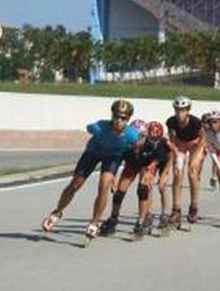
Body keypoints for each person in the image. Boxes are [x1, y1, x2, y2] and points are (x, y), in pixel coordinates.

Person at [41, 99, 139, 239]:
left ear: (128, 119)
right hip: (93, 152)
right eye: (115, 116)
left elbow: (133, 155)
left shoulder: (132, 135)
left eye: (122, 118)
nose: (118, 120)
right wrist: (93, 129)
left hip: (113, 158)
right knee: (75, 184)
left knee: (104, 184)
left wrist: (115, 177)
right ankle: (57, 211)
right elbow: (89, 127)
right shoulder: (101, 126)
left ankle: (95, 222)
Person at [99, 120, 174, 239]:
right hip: (133, 163)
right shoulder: (125, 144)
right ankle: (113, 218)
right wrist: (112, 175)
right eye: (133, 137)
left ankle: (141, 221)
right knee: (120, 191)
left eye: (141, 137)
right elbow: (116, 159)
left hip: (148, 163)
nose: (137, 141)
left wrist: (160, 171)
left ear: (146, 136)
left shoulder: (154, 143)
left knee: (143, 189)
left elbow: (162, 156)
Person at [165, 95, 206, 228]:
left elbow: (203, 138)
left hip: (196, 145)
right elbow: (172, 140)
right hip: (181, 145)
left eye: (183, 110)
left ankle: (194, 206)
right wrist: (175, 154)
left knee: (192, 172)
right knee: (177, 173)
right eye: (177, 110)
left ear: (188, 111)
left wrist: (195, 158)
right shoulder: (171, 121)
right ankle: (176, 209)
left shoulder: (195, 122)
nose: (180, 113)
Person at [201, 112, 219, 191]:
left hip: (212, 144)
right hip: (203, 144)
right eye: (204, 122)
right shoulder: (201, 128)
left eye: (207, 122)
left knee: (215, 159)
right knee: (199, 160)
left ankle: (214, 177)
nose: (206, 124)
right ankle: (196, 174)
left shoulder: (214, 129)